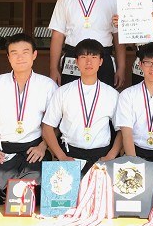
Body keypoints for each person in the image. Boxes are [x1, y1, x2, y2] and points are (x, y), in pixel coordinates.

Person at [0, 33, 58, 208]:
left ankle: (10, 186)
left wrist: (43, 146)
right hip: (5, 151)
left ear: (34, 55)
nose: (20, 57)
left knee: (36, 186)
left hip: (34, 150)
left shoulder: (48, 86)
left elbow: (56, 124)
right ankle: (8, 184)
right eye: (14, 53)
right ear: (8, 57)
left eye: (25, 52)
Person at [48, 0, 126, 88]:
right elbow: (57, 36)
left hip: (103, 57)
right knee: (71, 102)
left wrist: (121, 67)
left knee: (104, 103)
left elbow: (118, 35)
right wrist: (53, 68)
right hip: (73, 57)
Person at [42, 38, 122, 175]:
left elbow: (122, 129)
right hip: (69, 156)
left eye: (94, 57)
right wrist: (62, 157)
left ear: (101, 61)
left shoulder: (112, 94)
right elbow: (47, 127)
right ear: (76, 62)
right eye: (83, 57)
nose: (89, 62)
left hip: (102, 158)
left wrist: (111, 156)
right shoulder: (62, 92)